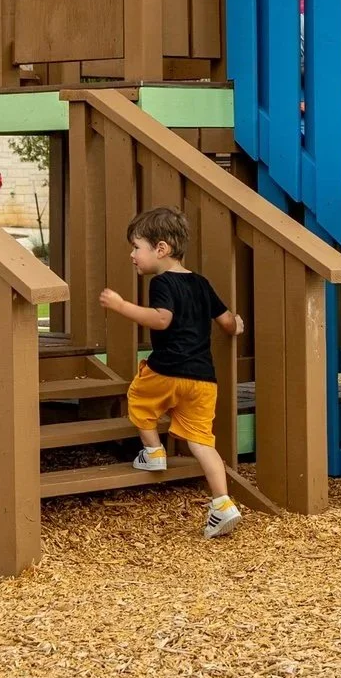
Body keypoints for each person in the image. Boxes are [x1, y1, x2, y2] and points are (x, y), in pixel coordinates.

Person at [98, 205, 246, 538]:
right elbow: (226, 322)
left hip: (166, 371)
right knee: (202, 441)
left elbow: (162, 319)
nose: (132, 254)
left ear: (161, 249)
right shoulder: (202, 284)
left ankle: (153, 452)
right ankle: (222, 504)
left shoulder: (162, 282)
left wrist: (121, 306)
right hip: (203, 379)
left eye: (137, 247)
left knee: (138, 398)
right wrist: (236, 326)